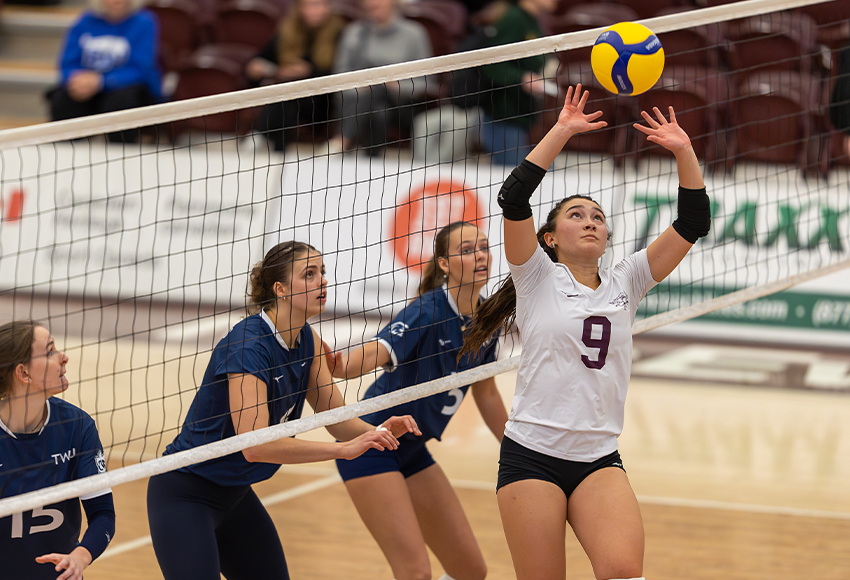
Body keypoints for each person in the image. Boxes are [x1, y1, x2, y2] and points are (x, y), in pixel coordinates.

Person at [459, 85, 710, 580]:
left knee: (622, 571)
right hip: (533, 454)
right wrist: (562, 129)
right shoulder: (535, 275)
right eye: (577, 215)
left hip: (598, 455)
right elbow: (512, 198)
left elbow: (693, 220)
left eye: (598, 217)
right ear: (550, 238)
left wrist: (683, 150)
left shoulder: (628, 279)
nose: (591, 222)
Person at [146, 240, 420, 580]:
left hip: (235, 497)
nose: (322, 281)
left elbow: (335, 418)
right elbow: (256, 445)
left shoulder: (309, 341)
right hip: (186, 492)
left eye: (323, 272)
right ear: (281, 289)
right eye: (309, 274)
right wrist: (343, 452)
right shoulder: (249, 345)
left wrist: (376, 432)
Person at [330, 221, 508, 580]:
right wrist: (341, 366)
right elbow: (378, 351)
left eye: (484, 248)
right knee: (415, 572)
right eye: (467, 250)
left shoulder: (487, 318)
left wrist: (517, 448)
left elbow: (485, 391)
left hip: (412, 447)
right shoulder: (427, 310)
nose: (480, 256)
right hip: (371, 442)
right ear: (444, 264)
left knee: (471, 571)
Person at [0, 321, 115, 580]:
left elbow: (103, 514)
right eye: (50, 351)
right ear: (24, 373)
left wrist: (80, 557)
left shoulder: (77, 426)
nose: (64, 358)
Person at [48, 0, 161, 142]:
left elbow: (141, 68)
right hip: (88, 88)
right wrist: (77, 79)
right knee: (63, 100)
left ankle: (122, 153)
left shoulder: (144, 22)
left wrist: (102, 81)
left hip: (126, 89)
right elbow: (67, 63)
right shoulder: (85, 21)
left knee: (120, 103)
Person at [329, 0, 433, 154]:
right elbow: (340, 75)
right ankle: (371, 164)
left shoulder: (414, 34)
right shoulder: (354, 33)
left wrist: (397, 85)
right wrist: (358, 87)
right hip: (360, 98)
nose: (373, 6)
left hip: (402, 103)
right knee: (379, 112)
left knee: (378, 87)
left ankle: (342, 140)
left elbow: (426, 83)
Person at [245, 0, 346, 151]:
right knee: (287, 98)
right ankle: (277, 150)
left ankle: (261, 134)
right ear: (300, 8)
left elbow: (340, 72)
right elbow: (262, 59)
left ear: (328, 7)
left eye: (320, 5)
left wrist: (308, 72)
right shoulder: (287, 30)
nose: (315, 10)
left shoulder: (339, 33)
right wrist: (256, 68)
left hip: (321, 100)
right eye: (310, 5)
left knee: (288, 97)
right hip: (287, 95)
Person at [477, 0, 558, 166]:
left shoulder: (532, 21)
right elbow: (492, 64)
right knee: (513, 178)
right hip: (504, 116)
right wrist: (521, 78)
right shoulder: (514, 18)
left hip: (524, 115)